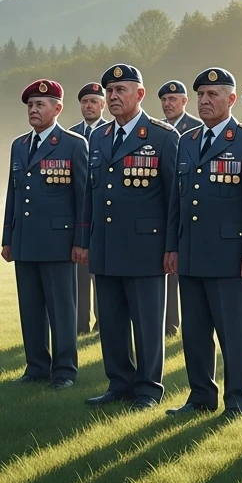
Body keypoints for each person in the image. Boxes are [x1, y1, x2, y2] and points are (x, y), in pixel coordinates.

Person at [165, 69, 242, 418]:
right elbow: (177, 202)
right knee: (195, 333)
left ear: (231, 100)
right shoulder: (188, 140)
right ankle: (200, 397)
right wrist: (172, 246)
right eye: (200, 95)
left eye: (213, 94)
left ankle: (238, 401)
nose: (205, 100)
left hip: (231, 257)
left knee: (234, 335)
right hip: (192, 253)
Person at [77, 64, 179, 410]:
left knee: (148, 323)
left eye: (121, 90)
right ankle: (118, 383)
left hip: (145, 247)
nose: (114, 96)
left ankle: (148, 388)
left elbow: (173, 199)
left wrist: (171, 245)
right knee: (111, 320)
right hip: (105, 243)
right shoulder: (99, 137)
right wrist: (86, 239)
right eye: (110, 91)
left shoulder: (163, 136)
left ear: (140, 94)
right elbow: (90, 194)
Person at [1, 79, 88, 389]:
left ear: (57, 108)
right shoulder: (19, 145)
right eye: (30, 105)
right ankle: (36, 367)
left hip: (58, 242)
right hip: (25, 240)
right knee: (31, 308)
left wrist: (80, 241)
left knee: (62, 309)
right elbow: (13, 194)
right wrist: (8, 237)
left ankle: (64, 371)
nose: (33, 110)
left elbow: (82, 198)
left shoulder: (73, 144)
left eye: (40, 104)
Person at [158, 80, 203, 336]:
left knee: (183, 276)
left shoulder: (195, 130)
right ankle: (169, 324)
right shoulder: (157, 130)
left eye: (173, 99)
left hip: (188, 210)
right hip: (165, 214)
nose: (167, 104)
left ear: (185, 102)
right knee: (167, 274)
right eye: (164, 100)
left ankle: (185, 326)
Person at [69, 83, 109, 334]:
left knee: (102, 278)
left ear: (103, 104)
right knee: (79, 277)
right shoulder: (71, 134)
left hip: (104, 216)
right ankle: (80, 325)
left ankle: (103, 324)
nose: (89, 106)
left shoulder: (111, 132)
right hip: (78, 218)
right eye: (84, 102)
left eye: (94, 101)